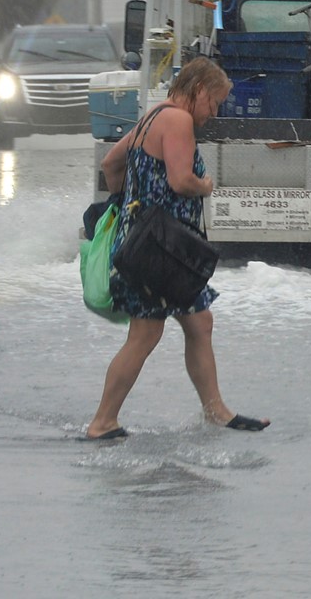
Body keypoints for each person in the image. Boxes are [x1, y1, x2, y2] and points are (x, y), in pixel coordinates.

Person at [83, 57, 270, 440]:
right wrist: (206, 185)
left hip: (150, 245)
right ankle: (102, 422)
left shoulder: (154, 116)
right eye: (214, 102)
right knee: (145, 335)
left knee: (199, 323)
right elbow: (181, 180)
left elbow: (110, 162)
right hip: (160, 252)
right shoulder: (179, 120)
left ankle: (216, 410)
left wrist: (127, 201)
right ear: (199, 89)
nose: (213, 113)